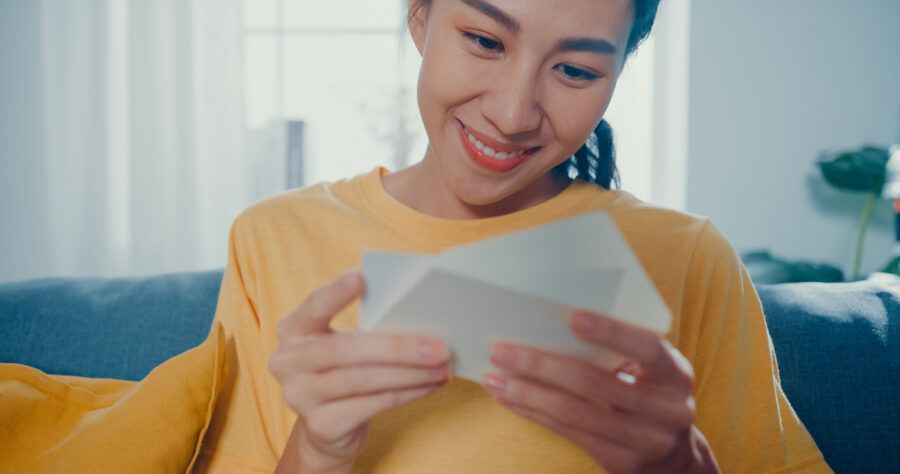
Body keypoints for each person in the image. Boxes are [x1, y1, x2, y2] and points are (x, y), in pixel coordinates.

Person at [195, 0, 832, 472]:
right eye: (483, 40)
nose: (511, 114)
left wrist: (679, 466)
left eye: (577, 72)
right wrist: (316, 449)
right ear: (420, 18)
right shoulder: (274, 237)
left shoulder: (685, 257)